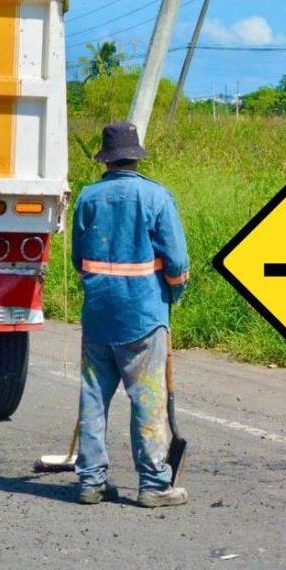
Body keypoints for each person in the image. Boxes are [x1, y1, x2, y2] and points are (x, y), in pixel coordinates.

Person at [71, 122, 191, 508]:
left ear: (105, 159)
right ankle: (155, 483)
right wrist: (174, 292)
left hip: (98, 315)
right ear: (136, 156)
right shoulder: (156, 198)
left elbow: (78, 259)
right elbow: (177, 262)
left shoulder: (88, 198)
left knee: (93, 397)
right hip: (143, 315)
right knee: (147, 399)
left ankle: (91, 482)